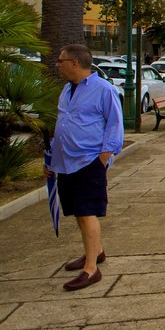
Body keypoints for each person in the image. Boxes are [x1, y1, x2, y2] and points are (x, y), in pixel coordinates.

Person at [45, 44, 124, 291]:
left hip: (89, 161)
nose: (58, 65)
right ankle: (96, 251)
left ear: (75, 63)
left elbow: (114, 125)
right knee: (79, 212)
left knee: (88, 211)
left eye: (61, 61)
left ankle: (91, 269)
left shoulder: (103, 90)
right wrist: (52, 160)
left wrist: (103, 157)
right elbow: (63, 124)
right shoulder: (67, 90)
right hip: (66, 162)